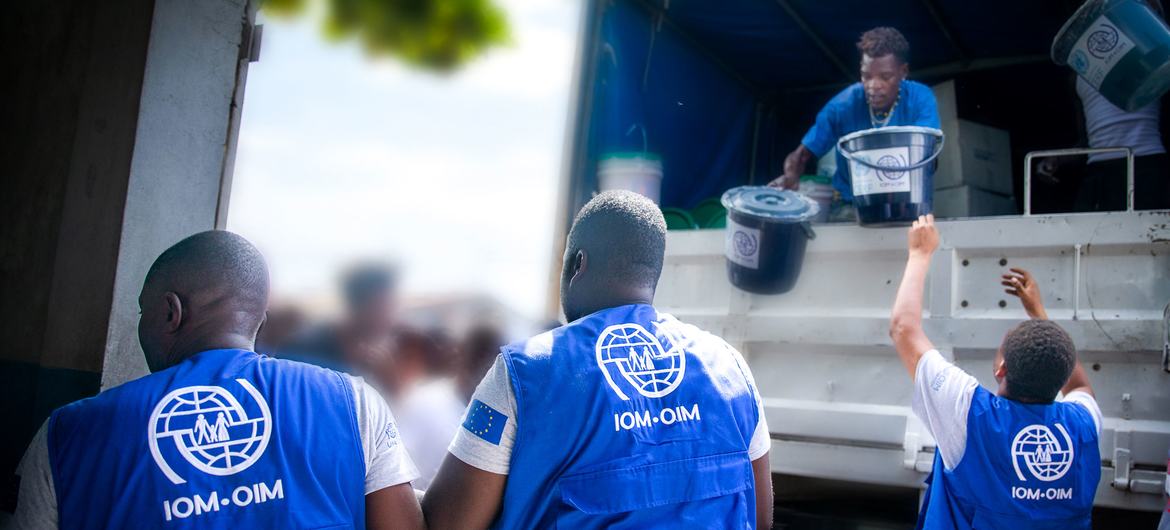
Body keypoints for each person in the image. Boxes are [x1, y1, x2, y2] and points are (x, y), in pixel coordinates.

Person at [12, 231, 423, 529]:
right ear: (259, 320)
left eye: (143, 312)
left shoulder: (66, 434)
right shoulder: (353, 403)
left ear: (171, 312)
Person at [422, 191, 773, 529]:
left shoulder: (525, 371)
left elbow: (447, 523)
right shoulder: (729, 368)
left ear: (578, 263)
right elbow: (760, 517)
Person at [889, 216, 1102, 529]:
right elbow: (1079, 386)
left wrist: (920, 253)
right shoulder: (1082, 423)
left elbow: (903, 328)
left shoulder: (969, 415)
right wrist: (1038, 315)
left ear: (1001, 369)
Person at [769, 27, 940, 209]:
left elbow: (929, 155)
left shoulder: (921, 98)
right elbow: (802, 155)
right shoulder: (843, 105)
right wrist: (789, 177)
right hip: (850, 205)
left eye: (885, 77)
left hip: (907, 203)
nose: (874, 86)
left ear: (903, 72)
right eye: (866, 76)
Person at [374, 328, 465, 490]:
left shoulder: (425, 402)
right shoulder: (411, 400)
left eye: (405, 357)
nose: (392, 363)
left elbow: (390, 469)